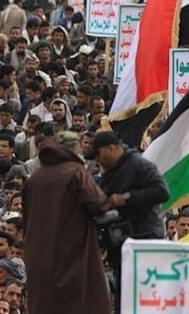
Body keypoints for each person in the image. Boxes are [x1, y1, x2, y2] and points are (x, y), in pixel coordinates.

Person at [22, 132, 110, 314]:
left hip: (38, 254)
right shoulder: (75, 172)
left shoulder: (35, 178)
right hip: (72, 252)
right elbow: (99, 204)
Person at [92, 131, 170, 240]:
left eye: (98, 154)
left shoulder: (139, 164)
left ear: (111, 148)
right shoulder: (112, 170)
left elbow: (162, 192)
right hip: (122, 234)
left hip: (145, 235)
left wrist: (126, 198)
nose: (97, 159)